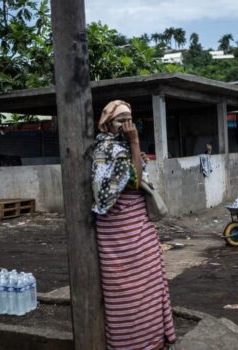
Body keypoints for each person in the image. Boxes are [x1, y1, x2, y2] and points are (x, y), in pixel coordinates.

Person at [91, 100, 176, 350]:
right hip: (118, 232)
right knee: (125, 293)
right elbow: (135, 180)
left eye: (130, 119)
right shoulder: (108, 148)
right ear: (107, 124)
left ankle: (154, 339)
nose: (127, 126)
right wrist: (135, 141)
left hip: (139, 228)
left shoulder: (121, 147)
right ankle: (131, 344)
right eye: (121, 120)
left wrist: (131, 145)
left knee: (148, 286)